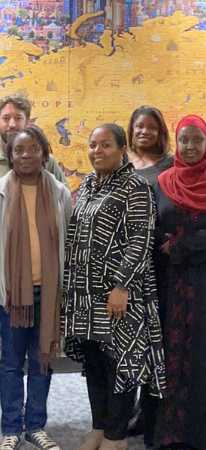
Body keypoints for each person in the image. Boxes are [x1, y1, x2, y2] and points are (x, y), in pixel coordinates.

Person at [0, 93, 69, 447]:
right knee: (9, 364)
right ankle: (10, 430)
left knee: (42, 361)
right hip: (12, 295)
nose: (25, 155)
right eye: (19, 151)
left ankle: (35, 425)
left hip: (46, 293)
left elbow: (68, 240)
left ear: (43, 154)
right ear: (10, 155)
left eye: (32, 149)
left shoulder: (59, 192)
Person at [62, 124, 166, 450]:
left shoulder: (136, 186)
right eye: (93, 145)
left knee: (120, 362)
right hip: (86, 294)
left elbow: (141, 238)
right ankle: (99, 427)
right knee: (94, 361)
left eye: (105, 145)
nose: (97, 151)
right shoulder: (90, 184)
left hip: (119, 294)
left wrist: (122, 285)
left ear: (122, 148)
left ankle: (116, 436)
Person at [153, 115, 206, 450]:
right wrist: (166, 242)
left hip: (203, 280)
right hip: (170, 283)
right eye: (184, 140)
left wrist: (182, 244)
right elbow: (154, 223)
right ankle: (171, 434)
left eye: (197, 140)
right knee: (171, 353)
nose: (189, 147)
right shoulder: (163, 181)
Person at [126, 106, 172, 445]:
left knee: (155, 339)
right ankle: (123, 410)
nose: (145, 132)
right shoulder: (119, 159)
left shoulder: (170, 165)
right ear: (131, 129)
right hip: (123, 265)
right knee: (127, 338)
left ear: (160, 132)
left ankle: (149, 410)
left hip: (159, 263)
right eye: (139, 126)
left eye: (151, 127)